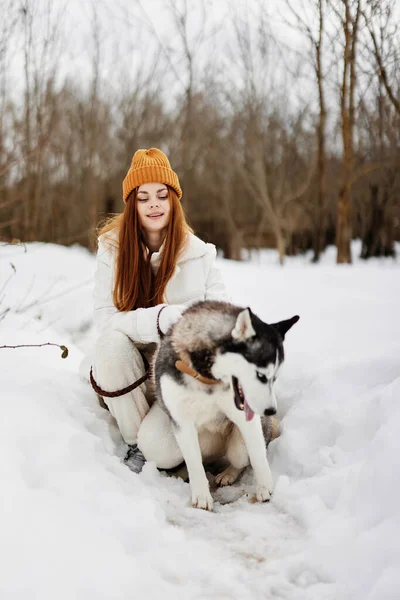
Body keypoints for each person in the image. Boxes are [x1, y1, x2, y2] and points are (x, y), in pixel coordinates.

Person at [87, 148, 229, 473]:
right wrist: (157, 319)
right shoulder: (111, 250)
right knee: (108, 344)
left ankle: (156, 444)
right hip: (133, 375)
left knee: (161, 451)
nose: (153, 204)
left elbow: (222, 324)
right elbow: (104, 320)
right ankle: (134, 442)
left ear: (173, 201)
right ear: (132, 204)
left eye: (161, 196)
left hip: (180, 378)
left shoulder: (200, 254)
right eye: (143, 197)